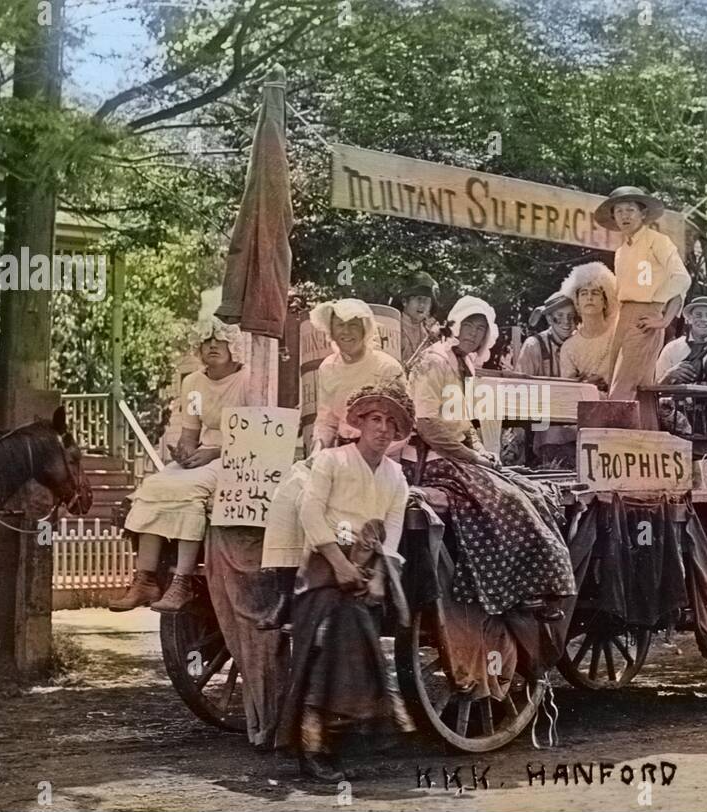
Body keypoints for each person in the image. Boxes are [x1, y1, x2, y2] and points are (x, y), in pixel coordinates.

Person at [406, 295, 577, 622]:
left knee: (528, 489)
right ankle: (517, 586)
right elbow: (427, 425)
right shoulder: (435, 361)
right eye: (468, 325)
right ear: (454, 325)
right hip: (429, 461)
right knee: (507, 499)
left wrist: (481, 451)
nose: (472, 333)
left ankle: (537, 585)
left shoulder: (464, 364)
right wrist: (473, 457)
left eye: (480, 328)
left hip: (456, 455)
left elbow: (465, 421)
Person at [279, 381, 414, 782]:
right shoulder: (332, 462)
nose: (383, 429)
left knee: (354, 620)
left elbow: (391, 535)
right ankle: (312, 743)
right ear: (359, 423)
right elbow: (310, 513)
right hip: (322, 571)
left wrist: (376, 580)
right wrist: (338, 564)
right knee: (330, 630)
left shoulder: (396, 477)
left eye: (391, 423)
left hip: (366, 574)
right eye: (375, 419)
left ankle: (339, 735)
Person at [112, 316, 256, 613]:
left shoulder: (250, 380)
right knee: (154, 486)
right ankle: (145, 580)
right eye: (206, 341)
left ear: (233, 346)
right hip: (204, 455)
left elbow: (255, 434)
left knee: (192, 491)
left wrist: (214, 453)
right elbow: (190, 434)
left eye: (219, 341)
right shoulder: (192, 383)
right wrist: (184, 452)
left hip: (240, 456)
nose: (212, 346)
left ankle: (183, 582)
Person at [594, 186, 691, 401]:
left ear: (643, 214)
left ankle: (617, 433)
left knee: (623, 386)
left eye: (630, 210)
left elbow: (681, 279)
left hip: (645, 317)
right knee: (634, 385)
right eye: (619, 212)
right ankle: (642, 431)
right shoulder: (621, 252)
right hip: (624, 316)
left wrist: (663, 318)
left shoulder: (658, 241)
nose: (624, 216)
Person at [310, 297, 405, 452]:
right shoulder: (328, 367)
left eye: (353, 325)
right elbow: (327, 420)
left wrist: (370, 455)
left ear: (365, 330)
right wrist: (317, 451)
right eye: (340, 325)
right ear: (331, 332)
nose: (346, 331)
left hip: (383, 454)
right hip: (344, 452)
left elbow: (403, 424)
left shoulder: (387, 367)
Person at [515, 292, 578, 467]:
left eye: (571, 317)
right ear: (549, 319)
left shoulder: (581, 344)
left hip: (575, 419)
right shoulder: (534, 345)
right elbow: (520, 390)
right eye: (560, 317)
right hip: (541, 421)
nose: (567, 322)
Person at [558, 261, 618, 391]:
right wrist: (587, 385)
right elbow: (568, 390)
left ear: (605, 302)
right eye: (584, 293)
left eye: (595, 293)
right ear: (577, 303)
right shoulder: (569, 347)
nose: (589, 298)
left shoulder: (619, 336)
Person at [396, 270, 440, 367]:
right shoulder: (392, 326)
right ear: (404, 301)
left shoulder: (431, 333)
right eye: (419, 298)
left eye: (427, 300)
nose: (422, 305)